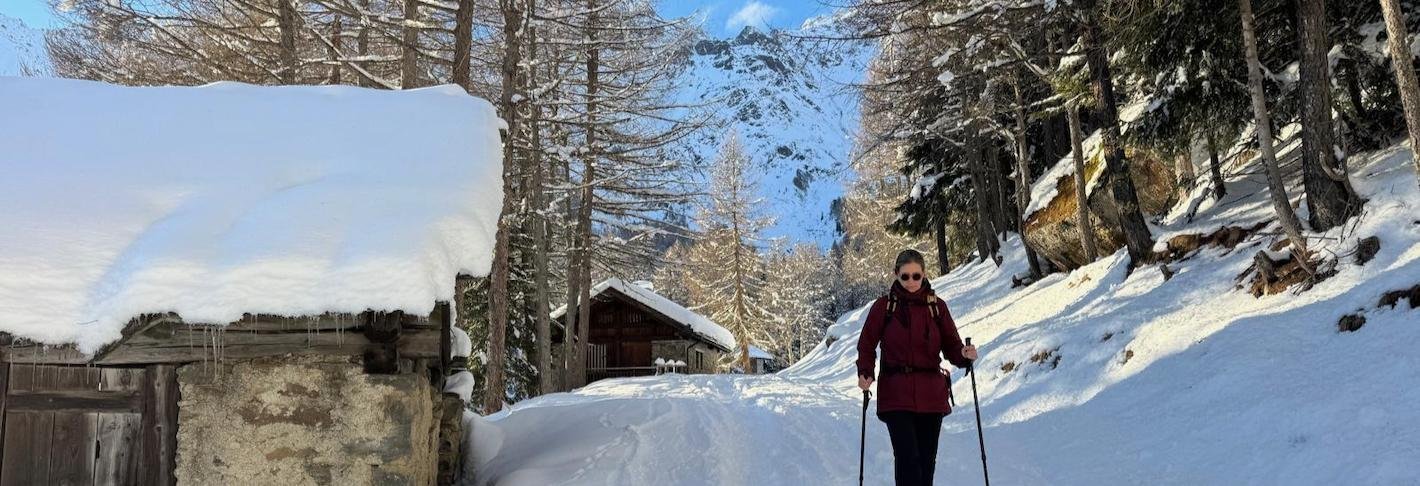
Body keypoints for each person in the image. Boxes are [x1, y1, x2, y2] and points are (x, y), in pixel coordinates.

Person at [857, 249, 978, 486]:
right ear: (896, 274)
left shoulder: (937, 307)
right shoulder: (884, 307)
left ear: (924, 274)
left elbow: (952, 345)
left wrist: (964, 356)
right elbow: (867, 344)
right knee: (908, 461)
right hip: (896, 395)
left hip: (931, 395)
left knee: (926, 462)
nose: (911, 281)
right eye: (905, 276)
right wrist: (865, 372)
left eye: (916, 276)